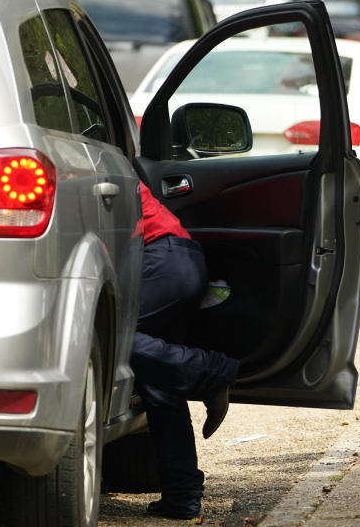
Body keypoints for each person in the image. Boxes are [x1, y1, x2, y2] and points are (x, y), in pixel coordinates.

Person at [134, 181, 240, 520]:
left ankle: (210, 372)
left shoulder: (79, 166)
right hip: (183, 257)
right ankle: (182, 498)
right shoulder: (96, 161)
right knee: (160, 382)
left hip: (160, 259)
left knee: (108, 341)